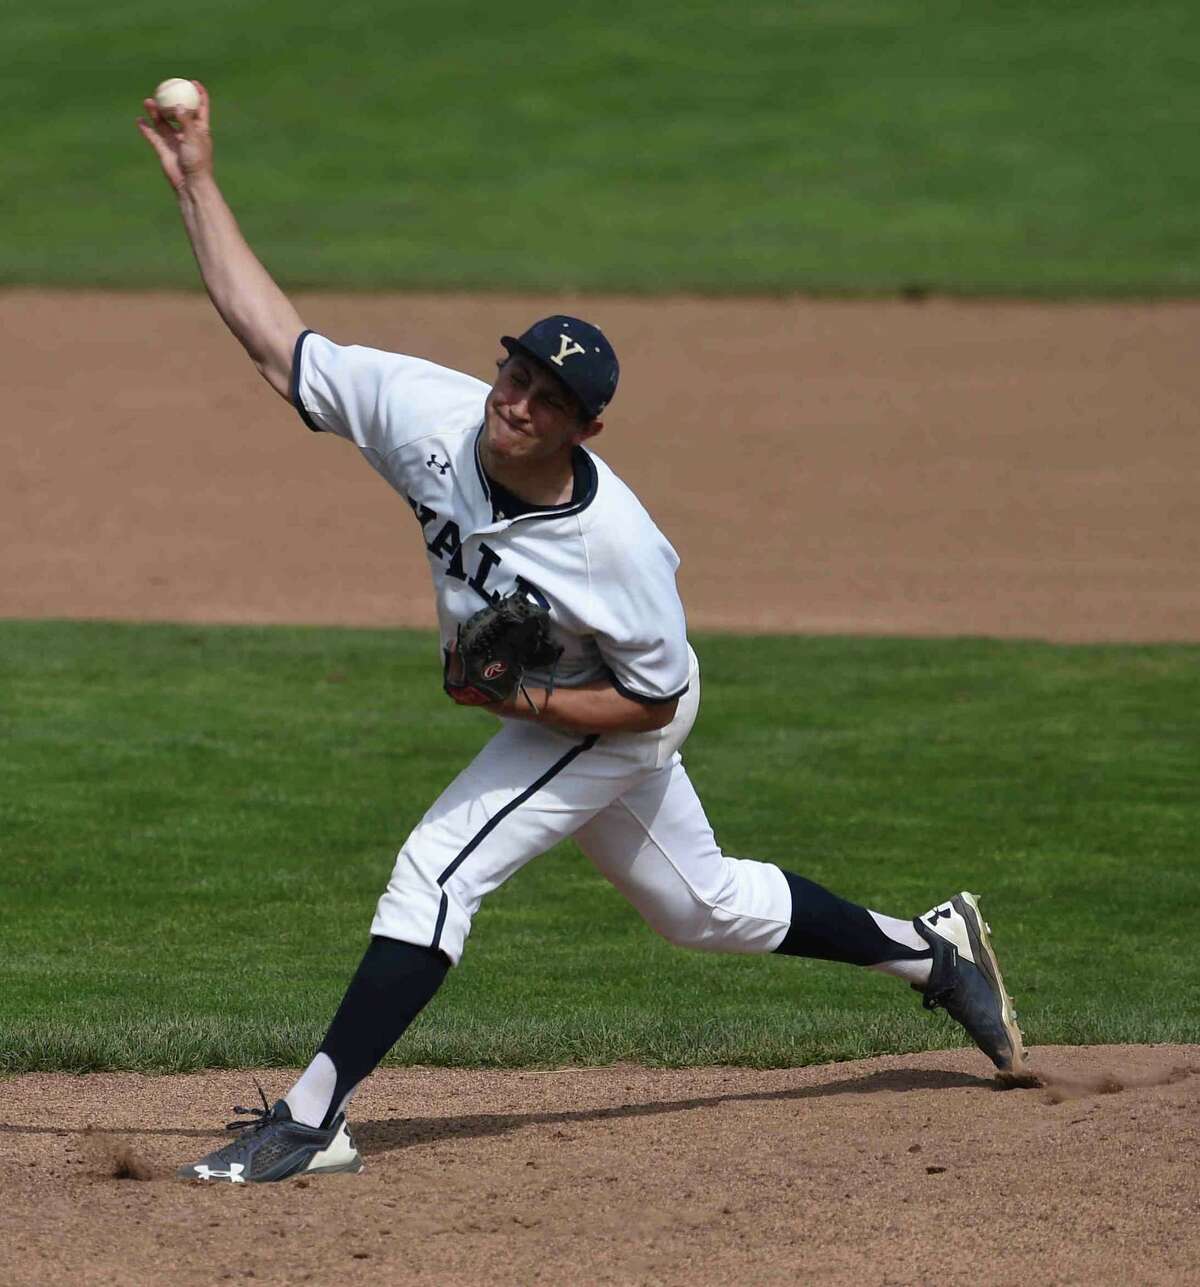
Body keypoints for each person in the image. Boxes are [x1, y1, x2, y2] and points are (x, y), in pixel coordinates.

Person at [138, 84, 1028, 1185]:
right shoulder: (427, 414)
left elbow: (654, 701)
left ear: (584, 426)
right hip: (569, 703)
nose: (517, 402)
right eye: (516, 374)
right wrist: (197, 182)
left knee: (437, 871)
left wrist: (529, 705)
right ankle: (929, 952)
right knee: (700, 909)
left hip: (614, 711)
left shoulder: (620, 549)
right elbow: (277, 344)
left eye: (548, 398)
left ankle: (314, 1117)